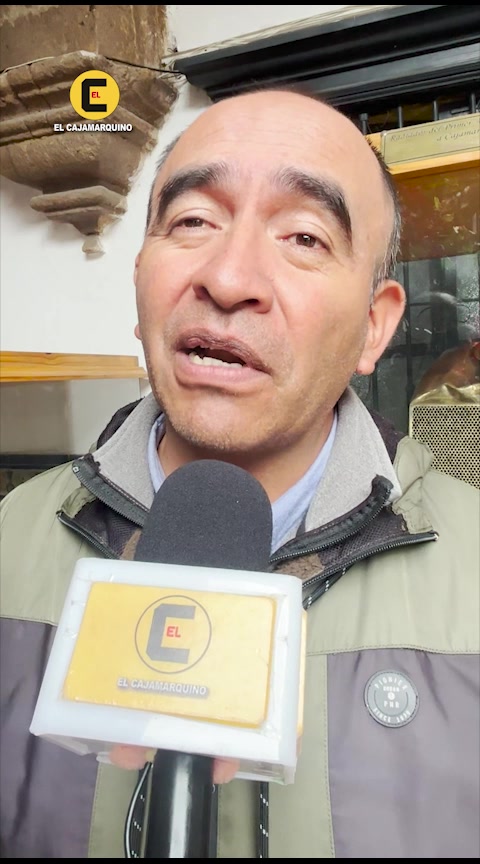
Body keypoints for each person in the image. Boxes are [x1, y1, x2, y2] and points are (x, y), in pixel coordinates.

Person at [1, 87, 479, 859]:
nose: (227, 279)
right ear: (140, 281)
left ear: (375, 325)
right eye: (193, 221)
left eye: (304, 236)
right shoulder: (8, 545)